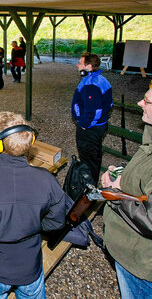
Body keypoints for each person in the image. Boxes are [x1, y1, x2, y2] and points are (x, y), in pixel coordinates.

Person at [0, 111, 66, 299]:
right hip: (30, 268)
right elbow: (57, 222)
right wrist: (33, 224)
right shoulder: (47, 180)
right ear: (30, 142)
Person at [101, 86, 152, 299]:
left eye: (147, 101)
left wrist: (116, 193)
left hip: (139, 262)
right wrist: (125, 172)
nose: (140, 103)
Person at [71, 52, 113, 184]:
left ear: (88, 67)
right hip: (98, 127)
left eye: (80, 63)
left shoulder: (91, 85)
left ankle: (88, 188)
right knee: (93, 156)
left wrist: (84, 125)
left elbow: (94, 111)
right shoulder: (100, 79)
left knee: (88, 159)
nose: (77, 65)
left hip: (90, 129)